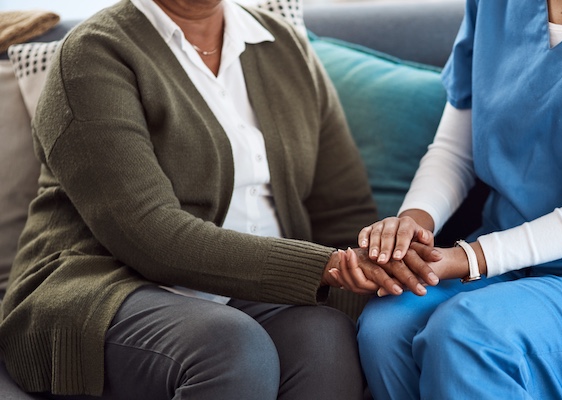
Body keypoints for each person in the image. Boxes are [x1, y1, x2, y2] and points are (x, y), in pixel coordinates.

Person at [0, 0, 432, 398]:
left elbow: (343, 213)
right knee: (232, 347)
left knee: (325, 338)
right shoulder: (93, 54)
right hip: (101, 287)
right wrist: (328, 267)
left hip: (248, 298)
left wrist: (371, 263)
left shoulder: (283, 46)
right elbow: (150, 236)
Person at [344, 0, 562, 398]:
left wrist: (467, 259)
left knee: (470, 336)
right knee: (386, 326)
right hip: (509, 262)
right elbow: (455, 150)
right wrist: (412, 224)